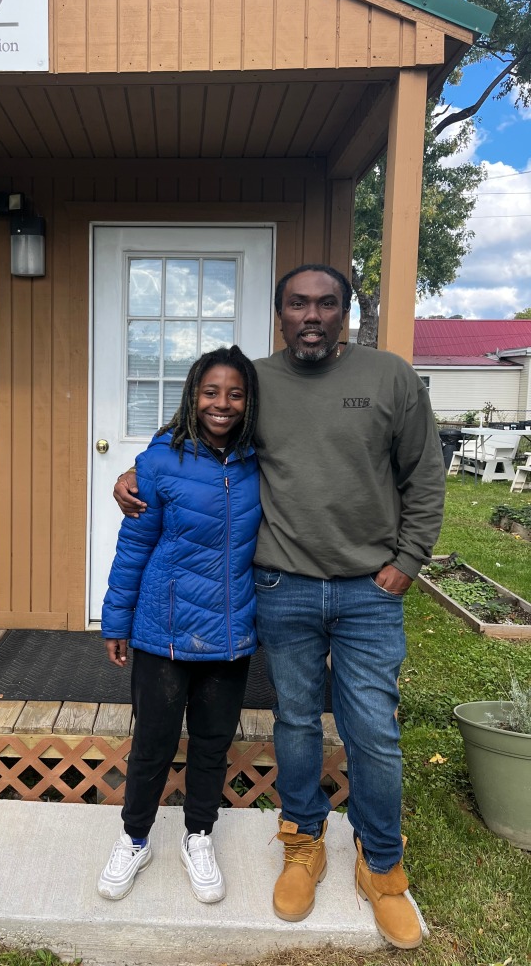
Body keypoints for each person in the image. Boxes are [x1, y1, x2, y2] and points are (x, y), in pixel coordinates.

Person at [114, 265, 445, 948]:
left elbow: (425, 475)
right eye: (298, 304)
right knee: (295, 721)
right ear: (280, 314)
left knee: (372, 731)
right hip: (282, 586)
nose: (313, 315)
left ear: (346, 313)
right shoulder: (259, 383)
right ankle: (303, 841)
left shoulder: (390, 379)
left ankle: (382, 867)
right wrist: (137, 468)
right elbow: (201, 421)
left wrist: (406, 562)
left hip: (367, 591)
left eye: (327, 303)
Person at [98, 346, 261, 905]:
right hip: (163, 630)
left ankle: (198, 836)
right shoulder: (160, 460)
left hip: (232, 630)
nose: (222, 403)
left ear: (248, 401)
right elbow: (134, 545)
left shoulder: (259, 460)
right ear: (194, 395)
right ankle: (135, 837)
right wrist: (116, 620)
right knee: (153, 744)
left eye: (235, 393)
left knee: (213, 745)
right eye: (211, 392)